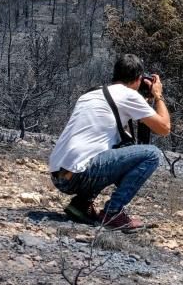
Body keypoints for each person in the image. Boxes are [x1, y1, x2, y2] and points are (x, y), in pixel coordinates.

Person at [48, 54, 171, 231]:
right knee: (151, 154)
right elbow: (164, 128)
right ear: (138, 79)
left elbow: (123, 144)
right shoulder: (128, 95)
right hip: (80, 175)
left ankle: (81, 204)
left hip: (58, 174)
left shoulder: (90, 94)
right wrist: (158, 96)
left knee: (118, 148)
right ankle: (112, 213)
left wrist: (145, 102)